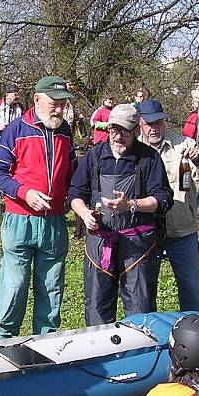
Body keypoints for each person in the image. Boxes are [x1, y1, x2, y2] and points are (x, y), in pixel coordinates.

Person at [69, 104, 173, 325]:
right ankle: (101, 352)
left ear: (136, 130)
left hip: (138, 244)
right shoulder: (94, 156)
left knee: (140, 305)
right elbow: (75, 193)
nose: (117, 137)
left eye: (124, 132)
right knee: (97, 304)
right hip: (100, 242)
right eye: (113, 131)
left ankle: (138, 352)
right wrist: (85, 213)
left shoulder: (149, 158)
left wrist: (132, 204)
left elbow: (163, 198)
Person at [0, 76, 76, 338]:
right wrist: (24, 193)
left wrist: (77, 205)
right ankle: (6, 339)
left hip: (54, 222)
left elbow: (72, 173)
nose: (59, 110)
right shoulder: (16, 130)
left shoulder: (65, 132)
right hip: (20, 220)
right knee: (15, 283)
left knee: (51, 284)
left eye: (63, 104)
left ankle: (46, 339)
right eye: (54, 103)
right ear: (37, 100)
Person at [138, 99, 199, 312]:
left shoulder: (184, 144)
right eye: (149, 124)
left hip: (182, 229)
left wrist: (198, 159)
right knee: (144, 288)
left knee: (191, 286)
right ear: (140, 124)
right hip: (148, 232)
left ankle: (198, 331)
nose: (154, 129)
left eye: (158, 123)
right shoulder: (134, 150)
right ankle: (147, 331)